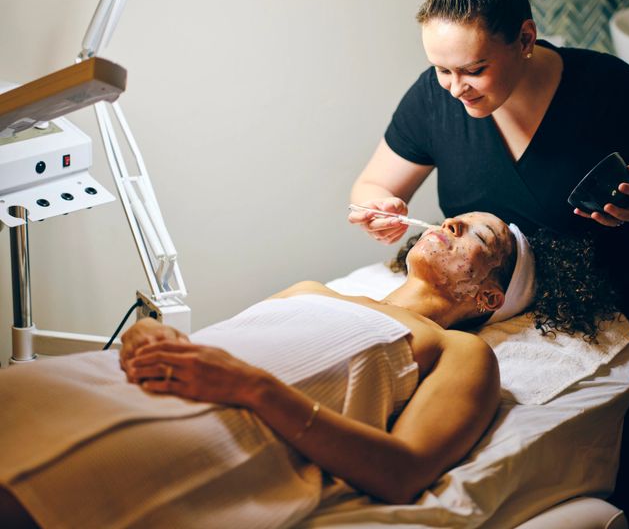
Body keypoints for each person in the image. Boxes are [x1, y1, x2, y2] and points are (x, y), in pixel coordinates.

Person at [347, 0, 629, 526]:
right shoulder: (437, 99)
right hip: (497, 315)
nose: (455, 87)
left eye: (474, 69)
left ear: (526, 40)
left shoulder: (607, 88)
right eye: (440, 70)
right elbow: (371, 188)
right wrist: (378, 209)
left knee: (614, 462)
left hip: (612, 306)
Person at [0, 212, 536, 529]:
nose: (453, 222)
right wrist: (150, 336)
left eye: (478, 239)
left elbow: (403, 472)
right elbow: (215, 346)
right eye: (457, 218)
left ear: (489, 295)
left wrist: (252, 388)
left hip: (214, 427)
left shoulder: (459, 352)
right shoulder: (311, 290)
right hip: (115, 379)